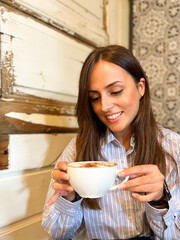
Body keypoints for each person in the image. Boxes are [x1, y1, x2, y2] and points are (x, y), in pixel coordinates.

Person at [42, 45, 180, 240]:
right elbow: (57, 233)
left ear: (141, 87)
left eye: (115, 91)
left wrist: (160, 200)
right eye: (95, 98)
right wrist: (69, 200)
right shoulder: (78, 148)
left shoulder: (173, 147)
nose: (104, 106)